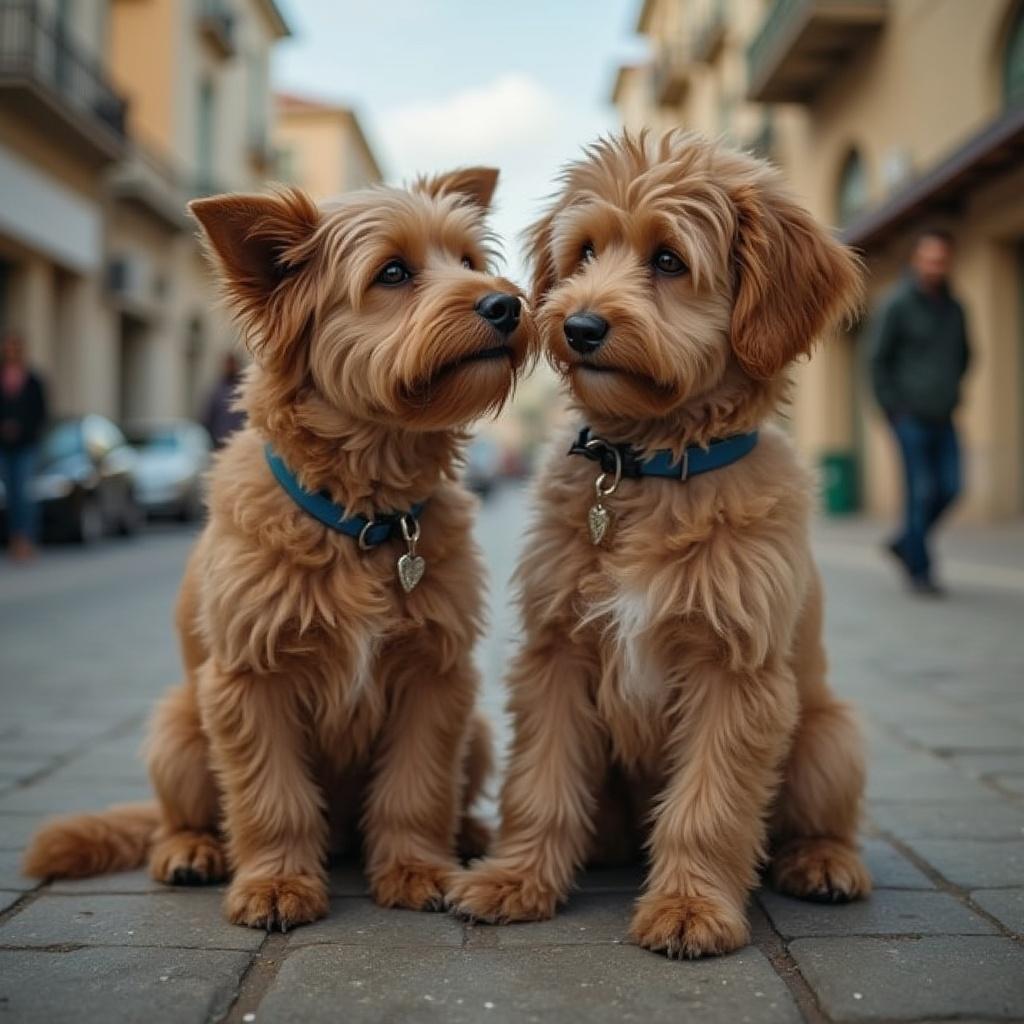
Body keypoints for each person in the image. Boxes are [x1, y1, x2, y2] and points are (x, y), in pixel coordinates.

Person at [870, 228, 970, 596]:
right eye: (929, 258)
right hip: (908, 416)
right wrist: (893, 409)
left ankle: (906, 542)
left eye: (941, 259)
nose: (935, 265)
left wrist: (951, 392)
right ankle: (920, 572)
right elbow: (877, 360)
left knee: (952, 487)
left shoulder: (955, 308)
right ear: (916, 260)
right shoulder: (897, 304)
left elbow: (964, 355)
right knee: (920, 493)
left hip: (944, 415)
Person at [0, 332, 48, 561]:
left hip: (26, 445)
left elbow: (41, 413)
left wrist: (22, 428)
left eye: (14, 347)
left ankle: (26, 539)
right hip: (3, 446)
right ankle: (12, 539)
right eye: (7, 347)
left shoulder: (33, 380)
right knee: (10, 496)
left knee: (24, 495)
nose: (10, 351)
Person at [202, 351, 246, 448]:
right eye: (228, 364)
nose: (230, 367)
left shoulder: (244, 389)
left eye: (232, 364)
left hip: (241, 442)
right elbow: (207, 418)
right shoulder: (216, 391)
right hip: (220, 443)